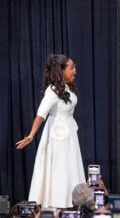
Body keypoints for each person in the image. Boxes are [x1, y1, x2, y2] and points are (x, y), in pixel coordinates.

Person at [15, 54, 85, 208]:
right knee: (60, 169)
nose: (75, 70)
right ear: (61, 71)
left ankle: (70, 202)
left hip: (68, 133)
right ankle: (58, 204)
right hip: (58, 135)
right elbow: (41, 114)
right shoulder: (52, 91)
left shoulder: (66, 87)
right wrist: (31, 135)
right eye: (72, 67)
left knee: (69, 167)